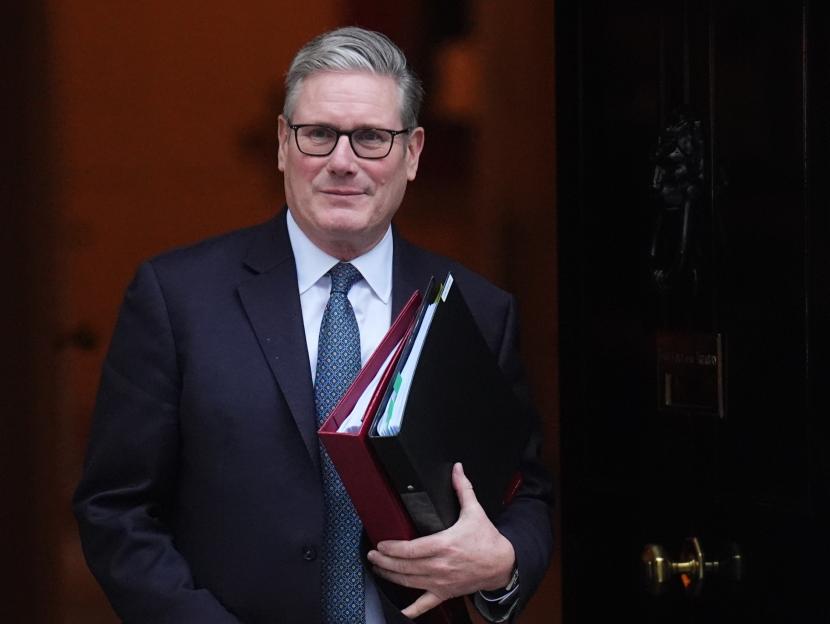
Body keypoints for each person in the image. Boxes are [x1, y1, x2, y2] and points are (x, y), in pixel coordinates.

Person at [73, 26, 553, 624]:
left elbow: (526, 493)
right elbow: (116, 510)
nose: (342, 163)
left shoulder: (479, 309)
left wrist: (501, 561)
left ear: (414, 153)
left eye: (372, 138)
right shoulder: (176, 299)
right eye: (318, 134)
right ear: (282, 143)